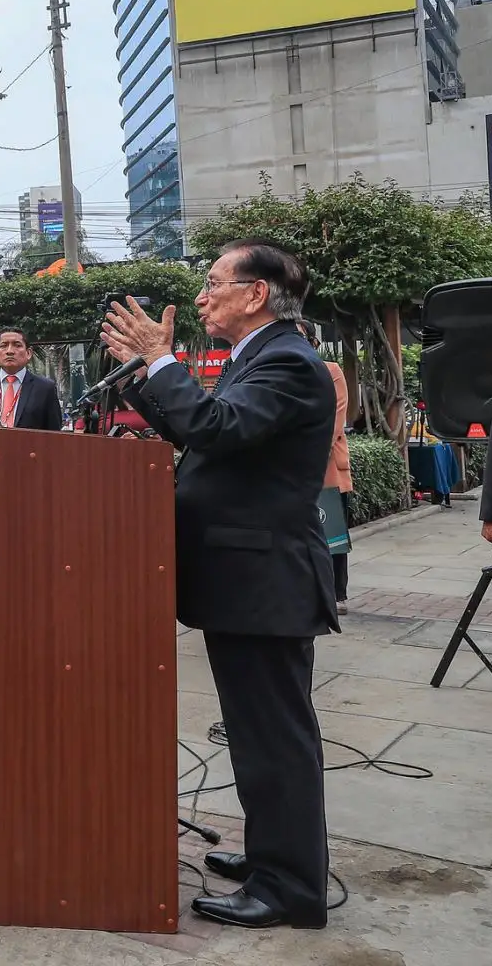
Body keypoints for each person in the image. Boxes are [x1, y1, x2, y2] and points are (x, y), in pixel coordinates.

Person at [102, 239, 336, 931]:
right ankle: (274, 856)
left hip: (265, 583)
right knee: (256, 736)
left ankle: (290, 888)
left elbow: (217, 427)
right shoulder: (256, 359)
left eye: (212, 284)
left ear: (257, 293)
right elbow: (202, 435)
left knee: (275, 741)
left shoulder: (289, 363)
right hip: (246, 579)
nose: (201, 297)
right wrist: (151, 371)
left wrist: (161, 359)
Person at [298, 321, 354, 614]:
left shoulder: (330, 370)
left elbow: (335, 418)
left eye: (299, 334)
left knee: (331, 531)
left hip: (326, 463)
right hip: (293, 468)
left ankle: (336, 593)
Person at [0, 328, 64, 432]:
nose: (9, 351)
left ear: (28, 353)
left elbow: (54, 433)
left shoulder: (45, 388)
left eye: (17, 345)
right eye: (4, 346)